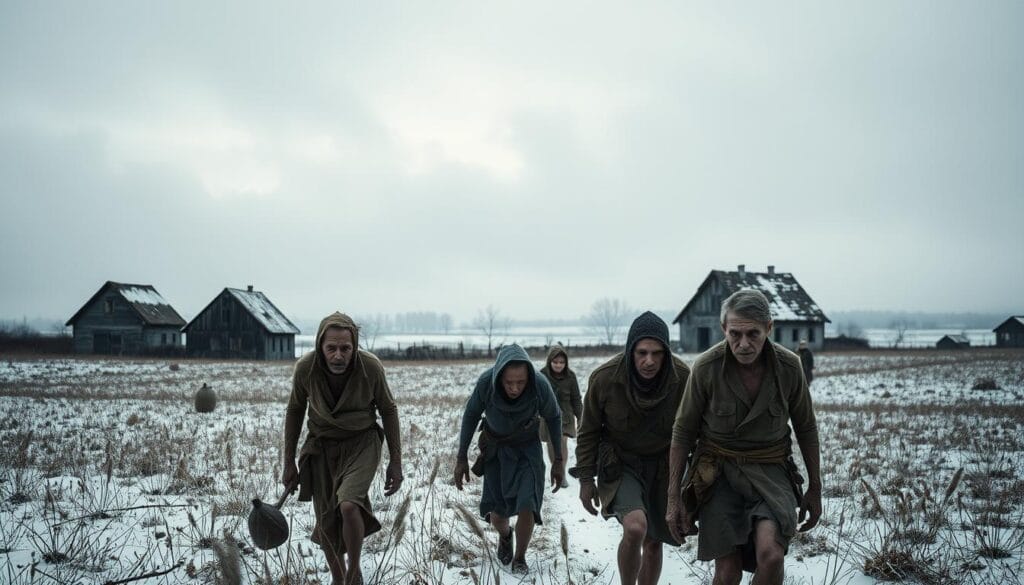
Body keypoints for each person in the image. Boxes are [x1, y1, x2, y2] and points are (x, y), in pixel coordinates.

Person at [666, 290, 822, 585]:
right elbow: (683, 432)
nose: (744, 344)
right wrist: (674, 498)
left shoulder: (790, 367)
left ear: (768, 328)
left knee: (772, 557)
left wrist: (815, 487)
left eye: (753, 334)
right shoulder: (706, 367)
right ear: (723, 328)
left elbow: (806, 428)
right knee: (727, 572)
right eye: (735, 334)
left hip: (771, 472)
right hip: (718, 475)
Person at [282, 313, 404, 585]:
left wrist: (396, 461)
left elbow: (388, 409)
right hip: (322, 446)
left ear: (354, 346)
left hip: (362, 443)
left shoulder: (370, 367)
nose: (338, 356)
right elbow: (295, 410)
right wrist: (288, 461)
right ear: (320, 346)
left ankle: (352, 573)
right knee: (326, 517)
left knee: (349, 505)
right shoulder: (306, 368)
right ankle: (338, 578)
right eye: (331, 348)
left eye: (345, 348)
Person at [571, 311, 690, 585]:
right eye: (642, 353)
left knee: (654, 540)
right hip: (621, 464)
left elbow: (695, 431)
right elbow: (588, 432)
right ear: (630, 350)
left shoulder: (683, 378)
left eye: (657, 353)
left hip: (664, 466)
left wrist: (689, 484)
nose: (649, 361)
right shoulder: (605, 378)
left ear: (667, 353)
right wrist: (586, 479)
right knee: (636, 528)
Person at [454, 343, 565, 574]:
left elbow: (554, 417)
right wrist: (461, 457)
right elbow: (471, 414)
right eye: (509, 383)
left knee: (528, 504)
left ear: (528, 377)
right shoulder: (486, 383)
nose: (515, 388)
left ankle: (520, 557)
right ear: (499, 377)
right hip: (497, 451)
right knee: (498, 514)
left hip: (527, 451)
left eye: (521, 382)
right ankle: (505, 536)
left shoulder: (539, 385)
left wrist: (558, 460)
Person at [538, 343, 582, 488]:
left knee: (562, 442)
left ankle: (561, 473)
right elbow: (535, 397)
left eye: (561, 362)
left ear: (566, 362)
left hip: (566, 416)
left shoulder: (571, 376)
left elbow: (576, 399)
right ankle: (557, 470)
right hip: (548, 416)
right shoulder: (542, 375)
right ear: (550, 361)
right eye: (555, 362)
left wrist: (581, 417)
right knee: (552, 443)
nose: (558, 365)